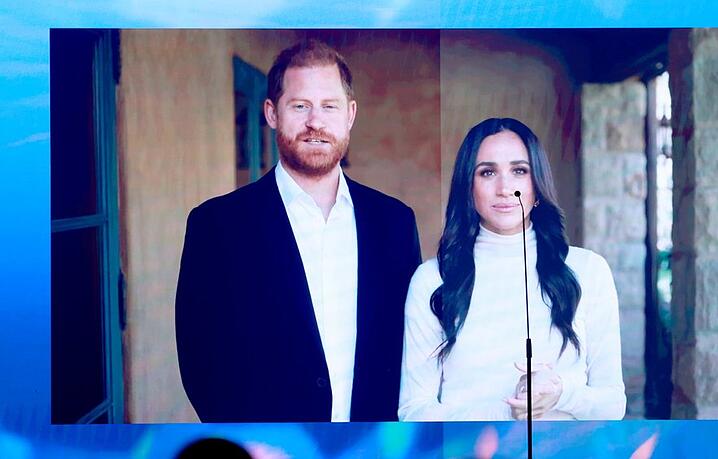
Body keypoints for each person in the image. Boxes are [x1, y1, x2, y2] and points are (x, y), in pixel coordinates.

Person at [176, 39, 422, 422]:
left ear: (350, 114)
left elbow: (412, 346)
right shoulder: (216, 226)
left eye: (329, 106)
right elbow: (201, 362)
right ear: (272, 113)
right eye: (300, 106)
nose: (316, 122)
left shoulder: (394, 223)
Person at [398, 118, 625, 421]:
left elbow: (613, 404)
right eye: (488, 172)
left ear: (537, 184)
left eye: (519, 171)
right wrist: (507, 413)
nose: (505, 188)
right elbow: (414, 411)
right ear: (469, 186)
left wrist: (560, 394)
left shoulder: (588, 271)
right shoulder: (432, 280)